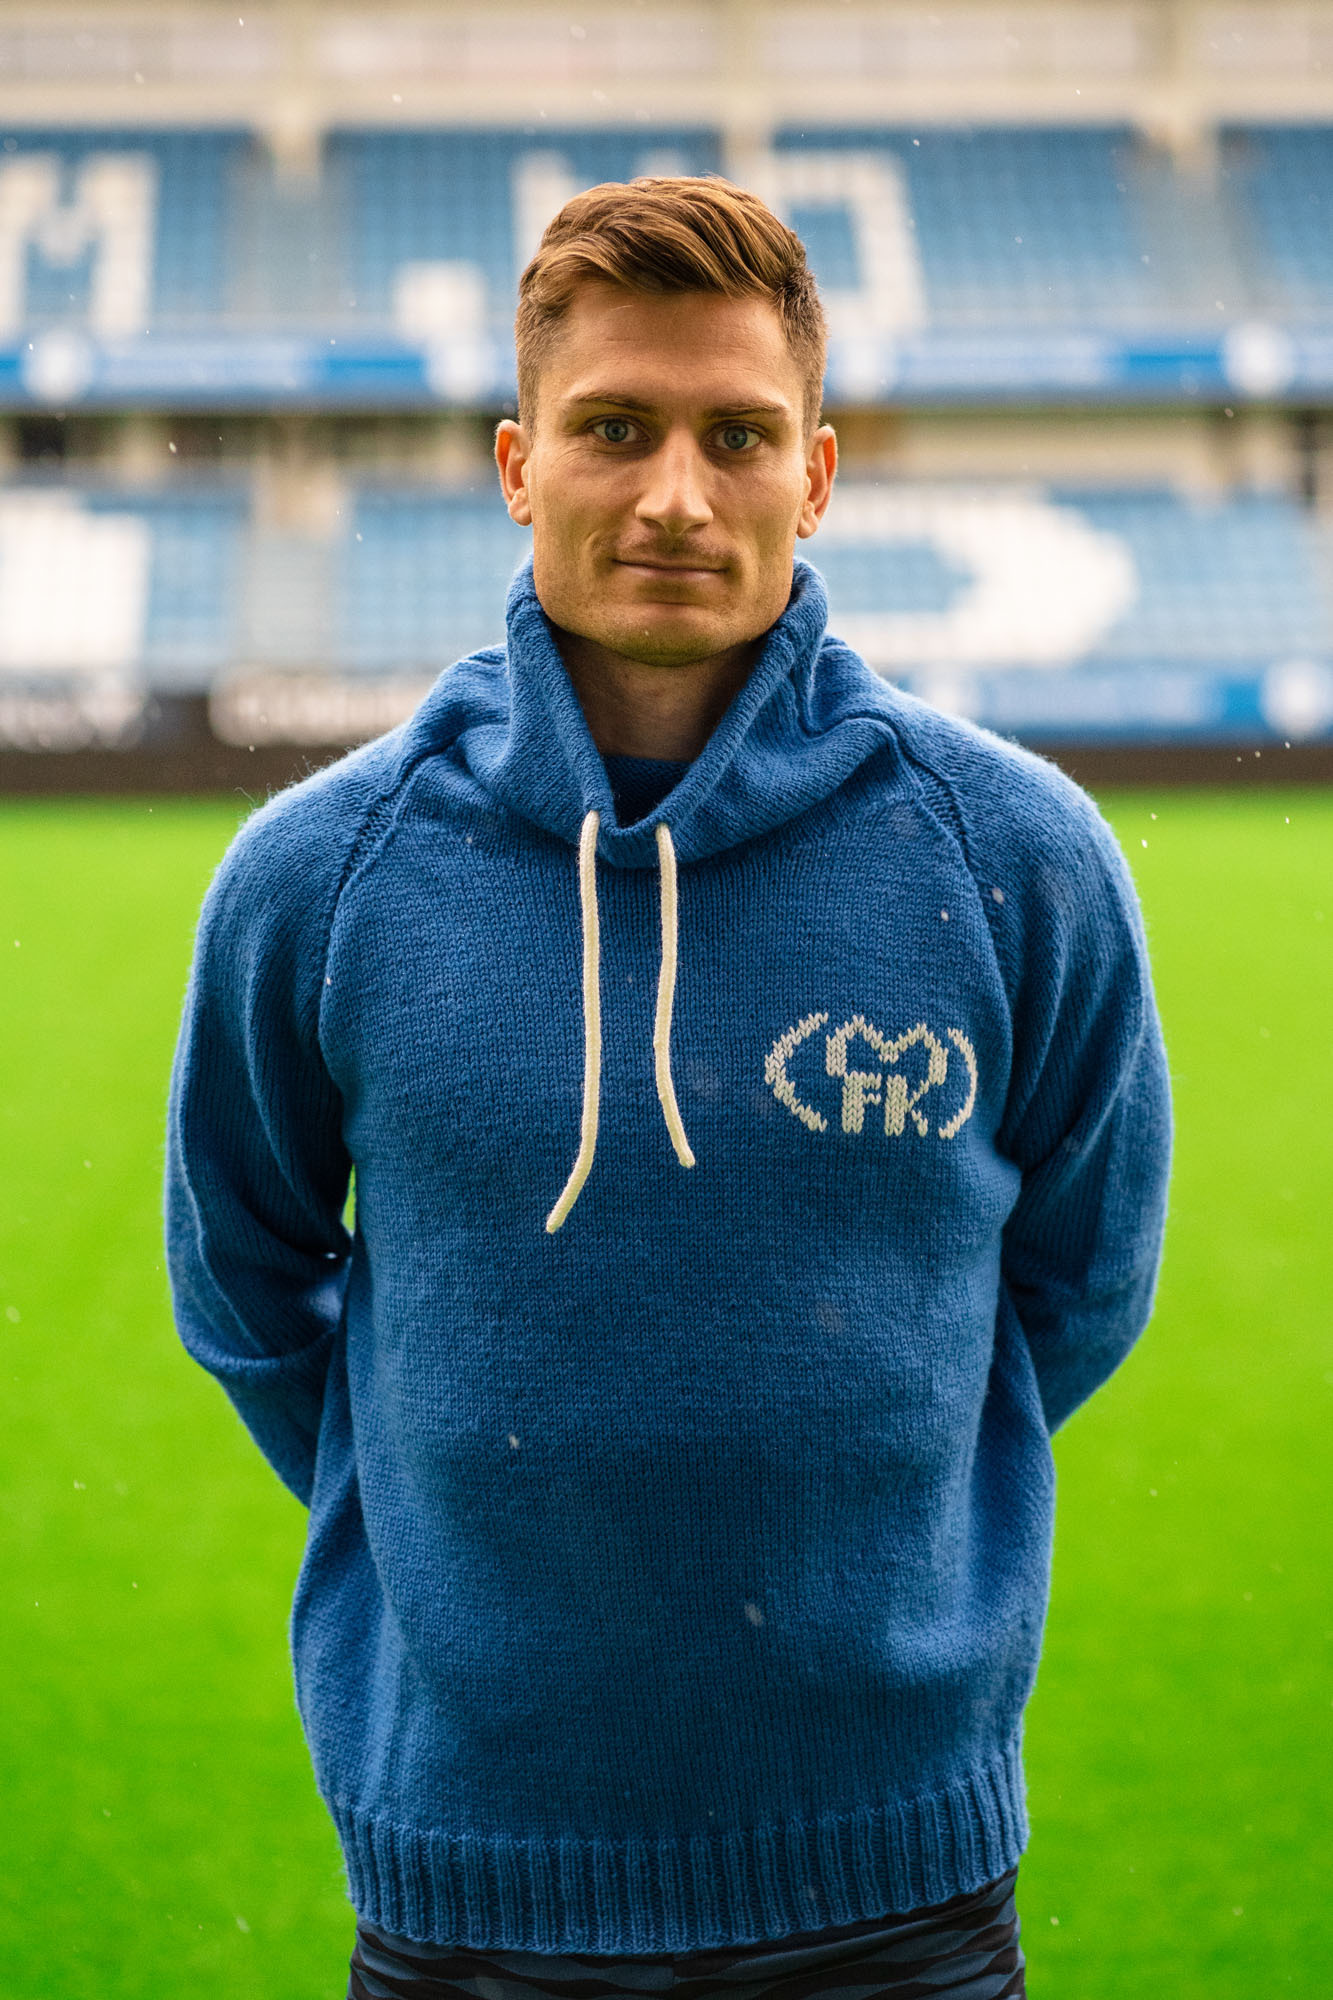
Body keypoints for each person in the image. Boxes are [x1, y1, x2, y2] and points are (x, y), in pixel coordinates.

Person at [165, 177, 1172, 2000]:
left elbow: (1079, 1283)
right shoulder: (317, 877)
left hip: (895, 1869)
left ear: (819, 474)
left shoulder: (1017, 857)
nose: (677, 496)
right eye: (614, 429)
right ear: (516, 464)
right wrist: (450, 1511)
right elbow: (241, 1284)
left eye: (739, 435)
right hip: (472, 1868)